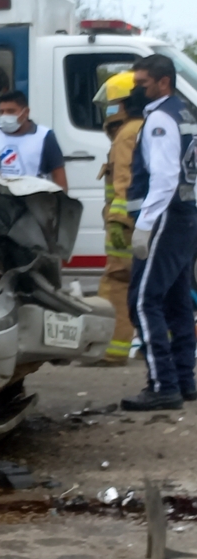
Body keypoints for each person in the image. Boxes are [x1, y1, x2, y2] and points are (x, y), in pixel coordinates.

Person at [122, 54, 197, 411]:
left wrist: (146, 224)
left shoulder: (160, 119)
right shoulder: (185, 113)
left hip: (165, 218)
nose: (137, 90)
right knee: (178, 300)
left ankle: (163, 384)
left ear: (163, 82)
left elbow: (165, 177)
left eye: (142, 83)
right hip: (184, 216)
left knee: (143, 299)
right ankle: (184, 379)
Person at [92, 72, 144, 366]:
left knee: (117, 281)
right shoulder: (143, 127)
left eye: (111, 104)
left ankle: (113, 350)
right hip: (142, 222)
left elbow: (123, 182)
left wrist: (118, 222)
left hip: (125, 224)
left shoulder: (126, 134)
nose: (107, 111)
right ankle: (157, 344)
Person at [0, 90, 68, 188]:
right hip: (1, 199)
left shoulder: (44, 136)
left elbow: (58, 175)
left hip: (33, 199)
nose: (5, 116)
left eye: (11, 111)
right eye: (1, 112)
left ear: (26, 112)